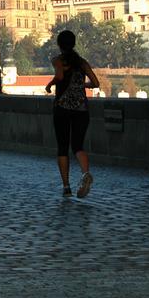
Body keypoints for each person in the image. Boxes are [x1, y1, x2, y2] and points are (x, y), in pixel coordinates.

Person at [45, 30, 99, 198]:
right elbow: (96, 83)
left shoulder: (58, 60)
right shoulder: (82, 62)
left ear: (59, 45)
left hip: (62, 107)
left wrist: (49, 84)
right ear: (74, 44)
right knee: (78, 146)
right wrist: (83, 86)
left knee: (62, 147)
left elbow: (60, 76)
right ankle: (85, 173)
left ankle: (66, 186)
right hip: (81, 108)